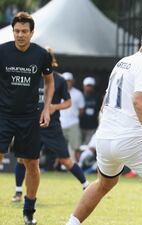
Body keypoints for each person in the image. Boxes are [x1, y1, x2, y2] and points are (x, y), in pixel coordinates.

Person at [66, 23, 142, 225]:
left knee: (103, 184)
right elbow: (139, 100)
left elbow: (105, 104)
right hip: (131, 139)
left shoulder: (122, 63)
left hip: (105, 139)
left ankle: (71, 223)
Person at [11, 48, 89, 203]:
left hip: (51, 127)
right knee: (23, 159)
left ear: (51, 60)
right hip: (31, 127)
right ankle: (19, 192)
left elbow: (68, 102)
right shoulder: (30, 77)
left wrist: (54, 107)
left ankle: (87, 186)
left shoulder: (59, 80)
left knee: (66, 160)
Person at [0, 12, 54, 225]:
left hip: (30, 116)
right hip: (3, 113)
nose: (20, 35)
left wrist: (47, 108)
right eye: (16, 31)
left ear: (32, 33)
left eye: (24, 31)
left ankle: (29, 211)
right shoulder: (2, 52)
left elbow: (49, 82)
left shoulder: (41, 55)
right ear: (12, 31)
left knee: (32, 163)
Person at [60, 72, 85, 161]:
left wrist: (74, 117)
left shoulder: (78, 93)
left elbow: (81, 110)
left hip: (73, 123)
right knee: (58, 147)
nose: (67, 82)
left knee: (76, 147)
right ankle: (57, 167)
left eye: (69, 81)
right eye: (65, 81)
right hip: (59, 123)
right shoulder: (56, 91)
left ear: (72, 81)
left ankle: (78, 165)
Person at [80, 76, 101, 144]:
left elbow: (100, 110)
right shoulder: (79, 96)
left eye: (90, 86)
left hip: (92, 126)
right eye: (87, 85)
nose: (88, 87)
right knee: (78, 145)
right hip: (80, 126)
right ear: (84, 86)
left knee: (88, 146)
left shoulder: (98, 97)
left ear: (93, 86)